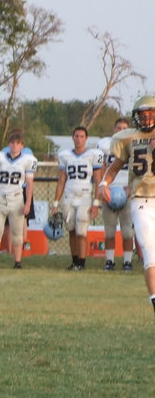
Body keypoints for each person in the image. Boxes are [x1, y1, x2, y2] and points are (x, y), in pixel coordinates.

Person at [98, 96, 155, 318]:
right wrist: (104, 183)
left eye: (150, 113)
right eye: (142, 114)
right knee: (150, 253)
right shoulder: (128, 138)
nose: (146, 118)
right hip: (141, 200)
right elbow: (114, 168)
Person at [0, 130, 36, 269]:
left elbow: (30, 183)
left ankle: (18, 262)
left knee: (17, 234)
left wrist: (28, 203)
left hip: (17, 199)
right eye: (12, 143)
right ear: (8, 144)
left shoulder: (27, 160)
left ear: (22, 146)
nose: (14, 146)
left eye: (17, 143)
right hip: (0, 198)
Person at [54, 126, 103, 271]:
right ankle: (74, 261)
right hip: (69, 196)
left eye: (82, 136)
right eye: (76, 136)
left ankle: (81, 263)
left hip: (85, 196)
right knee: (71, 230)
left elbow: (98, 181)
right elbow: (61, 180)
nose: (79, 139)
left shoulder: (93, 155)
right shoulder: (65, 155)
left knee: (81, 230)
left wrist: (96, 204)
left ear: (86, 138)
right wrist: (55, 202)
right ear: (72, 137)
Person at [98, 117, 134, 271]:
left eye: (124, 128)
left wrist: (130, 189)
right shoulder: (107, 146)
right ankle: (110, 261)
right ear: (114, 129)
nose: (121, 130)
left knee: (127, 231)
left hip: (127, 191)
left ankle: (127, 261)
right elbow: (102, 169)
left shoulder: (134, 146)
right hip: (109, 191)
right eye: (118, 127)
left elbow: (138, 172)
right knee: (110, 230)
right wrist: (103, 187)